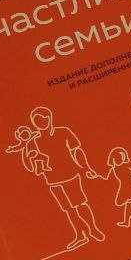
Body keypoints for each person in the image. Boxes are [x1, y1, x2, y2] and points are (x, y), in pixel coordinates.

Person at [26, 106, 105, 250]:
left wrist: (86, 168)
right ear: (34, 123)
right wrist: (31, 158)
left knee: (80, 204)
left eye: (44, 119)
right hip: (53, 181)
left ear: (50, 118)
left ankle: (93, 229)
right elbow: (31, 166)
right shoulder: (33, 142)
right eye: (37, 120)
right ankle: (80, 235)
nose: (41, 122)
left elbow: (76, 151)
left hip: (70, 176)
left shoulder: (63, 132)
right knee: (68, 209)